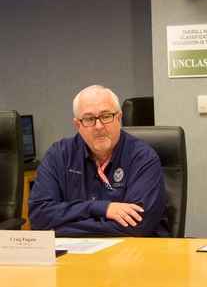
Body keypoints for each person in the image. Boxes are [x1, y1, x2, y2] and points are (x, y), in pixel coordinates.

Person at [28, 85, 170, 237]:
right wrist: (102, 208)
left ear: (119, 118)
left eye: (106, 116)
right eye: (89, 119)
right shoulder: (58, 156)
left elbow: (138, 225)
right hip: (75, 255)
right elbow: (39, 216)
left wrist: (61, 230)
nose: (99, 126)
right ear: (78, 125)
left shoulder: (143, 158)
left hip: (133, 253)